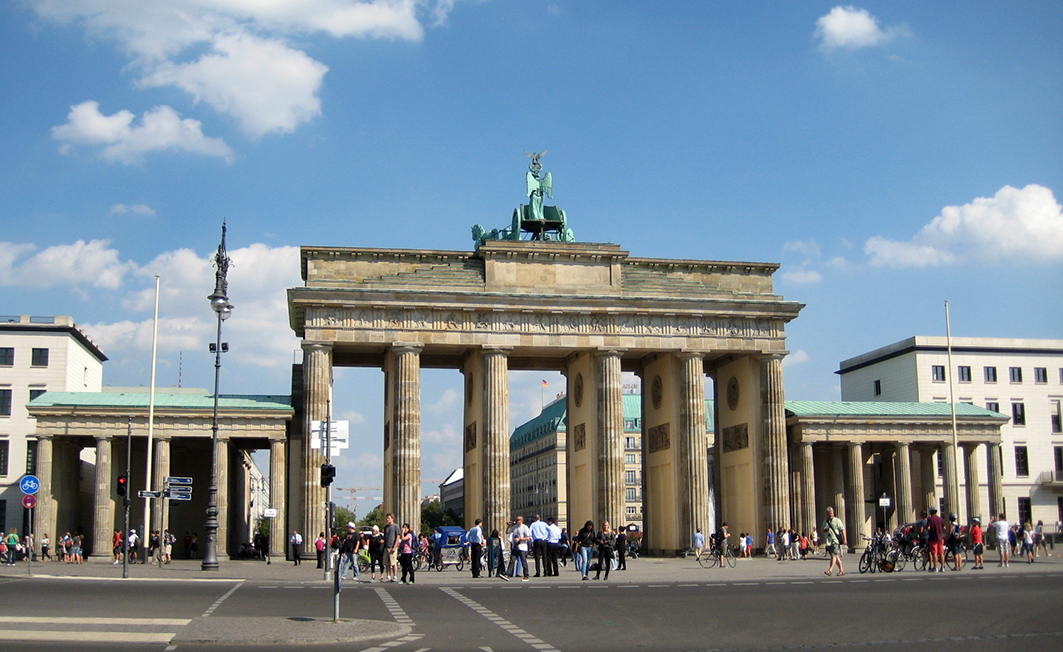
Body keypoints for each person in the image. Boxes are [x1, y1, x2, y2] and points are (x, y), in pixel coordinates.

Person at [822, 507, 846, 577]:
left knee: (833, 556)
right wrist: (824, 530)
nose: (830, 514)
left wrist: (845, 539)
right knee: (836, 556)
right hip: (829, 541)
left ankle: (830, 570)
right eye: (829, 513)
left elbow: (842, 529)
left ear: (833, 513)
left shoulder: (837, 520)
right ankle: (841, 570)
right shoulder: (825, 522)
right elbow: (822, 531)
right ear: (827, 514)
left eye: (831, 513)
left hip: (835, 541)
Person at [506, 515, 531, 581]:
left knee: (523, 561)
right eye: (516, 520)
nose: (516, 521)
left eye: (518, 520)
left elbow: (528, 538)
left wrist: (520, 539)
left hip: (522, 547)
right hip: (515, 547)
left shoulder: (525, 527)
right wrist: (509, 526)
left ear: (521, 520)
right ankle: (507, 574)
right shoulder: (514, 527)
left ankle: (526, 575)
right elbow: (507, 533)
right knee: (512, 560)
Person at [925, 506, 945, 573]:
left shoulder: (930, 519)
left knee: (934, 553)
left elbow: (928, 527)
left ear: (931, 512)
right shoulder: (940, 519)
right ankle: (942, 567)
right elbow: (944, 527)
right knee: (941, 553)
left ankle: (935, 567)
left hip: (933, 538)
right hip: (940, 537)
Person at [383, 513, 401, 582]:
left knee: (393, 563)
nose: (387, 519)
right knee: (387, 563)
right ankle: (388, 576)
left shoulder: (396, 526)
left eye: (389, 518)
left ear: (392, 518)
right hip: (386, 547)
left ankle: (395, 576)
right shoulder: (386, 527)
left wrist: (395, 546)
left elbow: (398, 536)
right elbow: (385, 536)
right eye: (387, 518)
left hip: (392, 547)